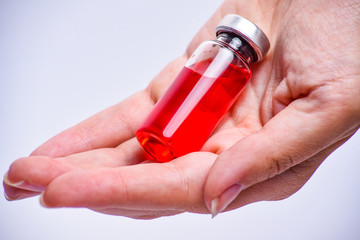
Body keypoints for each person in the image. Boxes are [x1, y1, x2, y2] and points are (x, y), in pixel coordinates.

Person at [3, 0, 359, 219]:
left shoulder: (242, 70)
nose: (232, 53)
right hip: (156, 137)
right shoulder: (213, 50)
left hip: (169, 143)